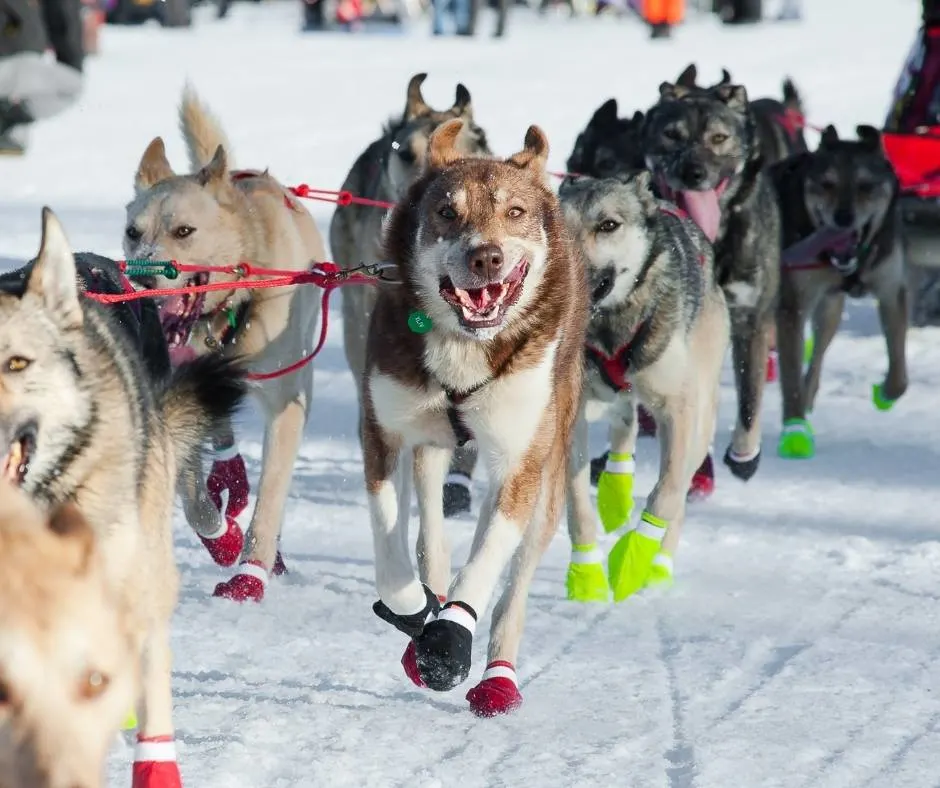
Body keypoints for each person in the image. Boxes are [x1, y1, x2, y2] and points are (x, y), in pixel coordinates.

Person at [0, 0, 84, 155]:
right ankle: (9, 121)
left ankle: (11, 123)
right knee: (72, 85)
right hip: (16, 62)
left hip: (18, 63)